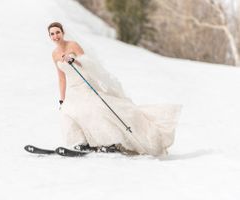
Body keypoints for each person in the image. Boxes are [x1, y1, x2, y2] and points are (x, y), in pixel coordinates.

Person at [48, 22, 182, 156]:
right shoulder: (54, 54)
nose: (55, 36)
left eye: (57, 32)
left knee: (94, 109)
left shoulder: (73, 45)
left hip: (84, 83)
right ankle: (80, 142)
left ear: (63, 32)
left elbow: (88, 64)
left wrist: (73, 60)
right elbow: (62, 78)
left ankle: (109, 142)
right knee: (68, 112)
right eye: (52, 34)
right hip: (72, 90)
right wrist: (62, 99)